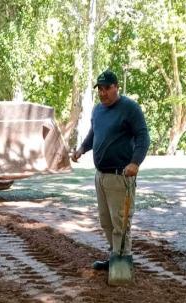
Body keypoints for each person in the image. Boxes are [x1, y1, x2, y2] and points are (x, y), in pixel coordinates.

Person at [71, 70, 150, 271]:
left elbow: (143, 137)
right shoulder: (98, 110)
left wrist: (135, 162)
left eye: (107, 88)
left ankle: (122, 265)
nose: (103, 93)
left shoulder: (130, 108)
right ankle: (114, 256)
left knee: (121, 223)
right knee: (106, 221)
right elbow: (93, 134)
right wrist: (81, 149)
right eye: (100, 89)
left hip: (120, 176)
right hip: (101, 176)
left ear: (116, 87)